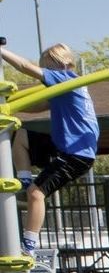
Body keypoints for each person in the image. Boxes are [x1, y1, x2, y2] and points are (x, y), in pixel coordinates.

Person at [0, 41, 99, 256]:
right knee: (21, 135)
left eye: (46, 66)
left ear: (60, 63)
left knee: (37, 193)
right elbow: (39, 106)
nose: (44, 72)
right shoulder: (66, 88)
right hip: (63, 146)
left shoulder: (66, 79)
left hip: (76, 154)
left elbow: (25, 66)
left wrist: (1, 51)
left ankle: (28, 245)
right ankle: (25, 181)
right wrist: (8, 103)